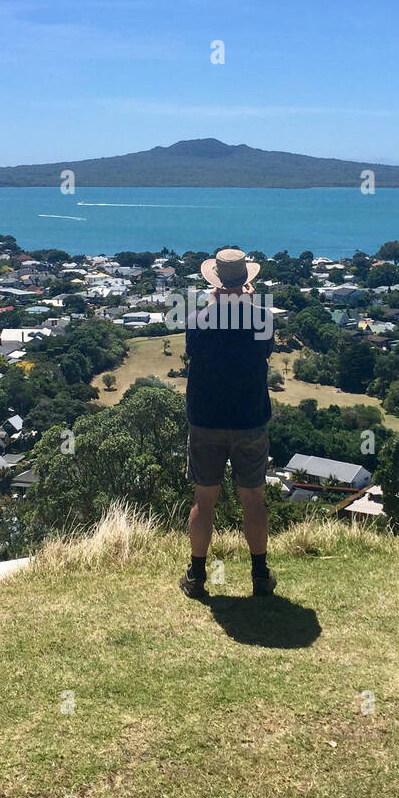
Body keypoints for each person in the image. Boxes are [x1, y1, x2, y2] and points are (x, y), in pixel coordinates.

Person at [179, 247, 277, 599]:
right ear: (247, 282)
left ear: (216, 282)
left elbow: (198, 346)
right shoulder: (262, 320)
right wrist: (245, 306)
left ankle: (197, 576)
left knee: (204, 501)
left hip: (206, 422)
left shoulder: (196, 322)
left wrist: (215, 305)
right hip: (250, 420)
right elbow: (262, 350)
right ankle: (260, 575)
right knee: (253, 498)